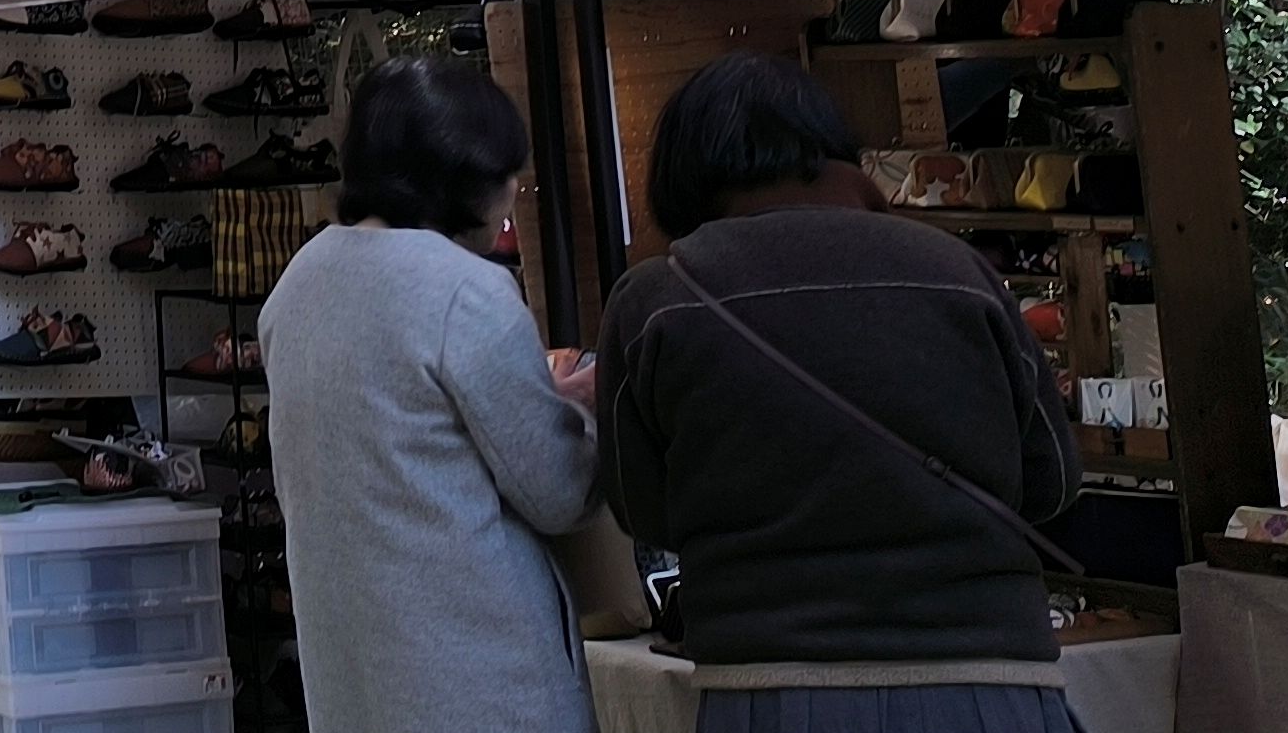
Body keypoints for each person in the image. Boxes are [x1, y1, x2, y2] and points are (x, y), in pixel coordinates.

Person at [597, 55, 1078, 733]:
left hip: (772, 681)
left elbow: (643, 509)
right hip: (991, 673)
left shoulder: (656, 300)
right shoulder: (957, 272)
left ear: (681, 172)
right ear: (826, 145)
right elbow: (1053, 481)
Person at [259, 57, 598, 733]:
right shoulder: (464, 291)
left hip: (354, 679)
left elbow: (400, 438)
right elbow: (560, 492)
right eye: (505, 176)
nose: (511, 197)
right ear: (462, 179)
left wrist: (532, 392)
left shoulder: (299, 282)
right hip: (476, 675)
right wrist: (583, 412)